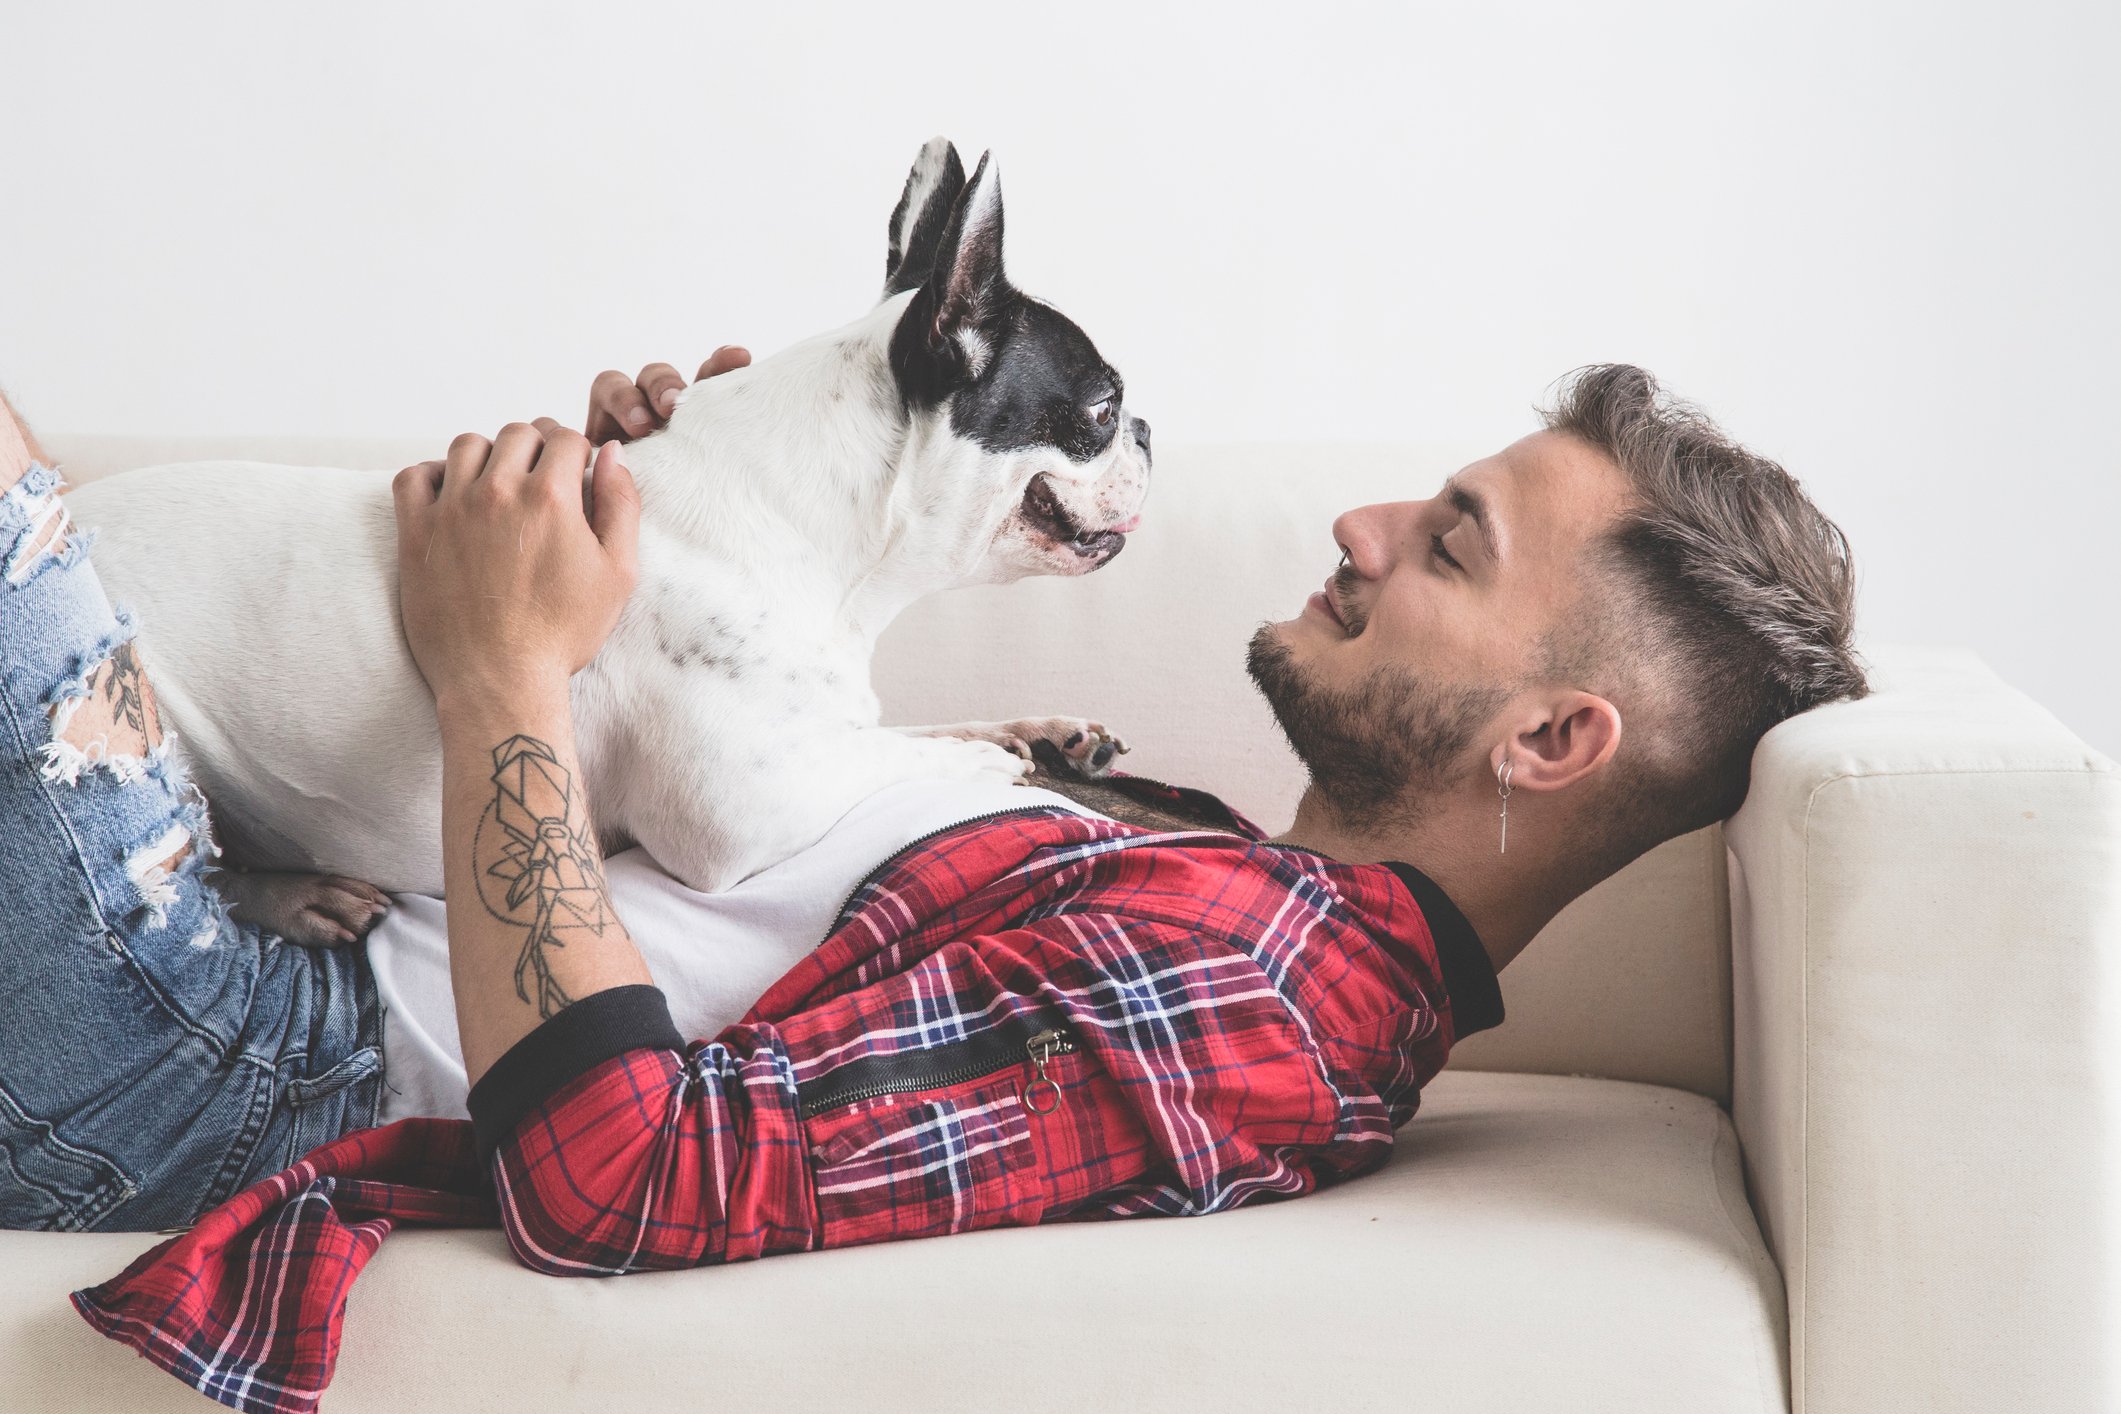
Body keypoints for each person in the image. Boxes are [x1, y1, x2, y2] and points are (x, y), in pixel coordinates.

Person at [7, 359, 1862, 1401]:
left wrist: (510, 666)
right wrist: (739, 513)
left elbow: (623, 1175)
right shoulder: (1194, 854)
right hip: (242, 887)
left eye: (1450, 542)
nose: (1362, 526)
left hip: (213, 1055)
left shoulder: (1255, 993)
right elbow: (744, 840)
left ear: (1547, 741)